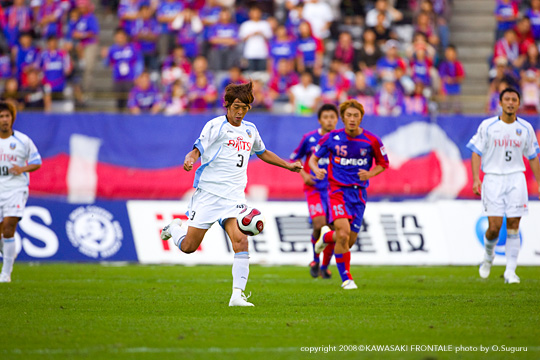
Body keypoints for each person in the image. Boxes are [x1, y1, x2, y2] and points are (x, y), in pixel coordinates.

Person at [160, 82, 302, 306]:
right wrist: (191, 158)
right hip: (208, 194)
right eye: (236, 106)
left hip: (234, 198)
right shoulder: (215, 126)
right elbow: (198, 148)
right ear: (227, 104)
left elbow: (262, 153)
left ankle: (237, 295)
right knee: (188, 247)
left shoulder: (250, 130)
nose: (240, 111)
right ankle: (174, 228)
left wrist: (287, 165)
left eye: (245, 107)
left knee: (241, 240)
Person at [308, 99, 389, 290]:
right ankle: (347, 279)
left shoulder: (372, 140)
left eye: (356, 115)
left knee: (348, 241)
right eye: (348, 115)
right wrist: (316, 170)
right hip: (336, 191)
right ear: (342, 118)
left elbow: (383, 163)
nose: (352, 119)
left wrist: (370, 173)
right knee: (343, 235)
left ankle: (325, 239)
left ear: (361, 117)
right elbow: (313, 159)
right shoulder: (332, 138)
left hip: (358, 195)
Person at [467, 88, 540, 284]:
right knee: (494, 227)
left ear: (518, 103)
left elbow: (532, 156)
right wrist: (476, 178)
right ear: (500, 103)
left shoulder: (525, 129)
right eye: (506, 99)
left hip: (516, 178)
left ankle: (510, 271)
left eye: (513, 100)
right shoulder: (488, 126)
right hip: (493, 178)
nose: (510, 103)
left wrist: (539, 182)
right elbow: (476, 152)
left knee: (514, 225)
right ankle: (488, 256)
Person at [290, 103, 339, 279]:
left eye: (332, 117)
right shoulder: (309, 138)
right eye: (326, 117)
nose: (329, 120)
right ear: (319, 120)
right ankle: (315, 259)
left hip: (335, 190)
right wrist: (304, 175)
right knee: (319, 225)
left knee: (334, 228)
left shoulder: (341, 140)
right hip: (314, 189)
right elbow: (294, 158)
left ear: (337, 120)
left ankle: (324, 266)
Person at [0, 101, 42, 283]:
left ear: (12, 118)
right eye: (1, 117)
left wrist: (22, 169)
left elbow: (37, 162)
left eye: (7, 116)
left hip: (16, 189)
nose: (4, 120)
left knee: (9, 228)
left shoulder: (23, 141)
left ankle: (6, 274)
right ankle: (9, 251)